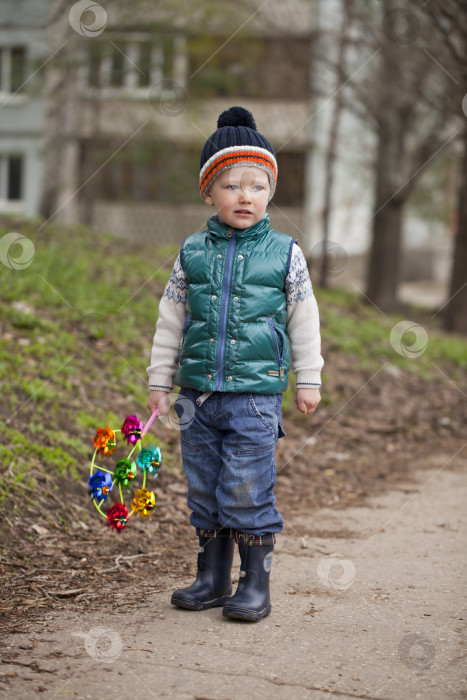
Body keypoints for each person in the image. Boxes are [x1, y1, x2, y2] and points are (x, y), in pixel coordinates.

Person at [147, 106, 323, 622]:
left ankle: (254, 583)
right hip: (196, 397)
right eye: (231, 185)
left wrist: (307, 378)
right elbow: (170, 322)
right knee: (203, 487)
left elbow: (303, 319)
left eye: (257, 185)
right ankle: (211, 577)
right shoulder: (192, 253)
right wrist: (160, 382)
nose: (245, 196)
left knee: (245, 486)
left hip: (255, 396)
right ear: (209, 192)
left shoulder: (285, 253)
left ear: (270, 192)